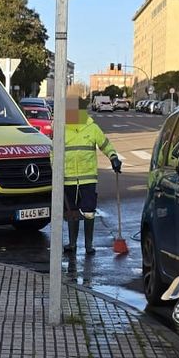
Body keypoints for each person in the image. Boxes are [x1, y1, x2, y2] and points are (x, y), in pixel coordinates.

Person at [62, 96, 121, 254]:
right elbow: (54, 153)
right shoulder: (61, 129)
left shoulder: (92, 128)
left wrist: (114, 157)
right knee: (71, 213)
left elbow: (105, 145)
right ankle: (72, 244)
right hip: (68, 179)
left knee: (88, 212)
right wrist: (55, 172)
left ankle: (88, 246)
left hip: (88, 178)